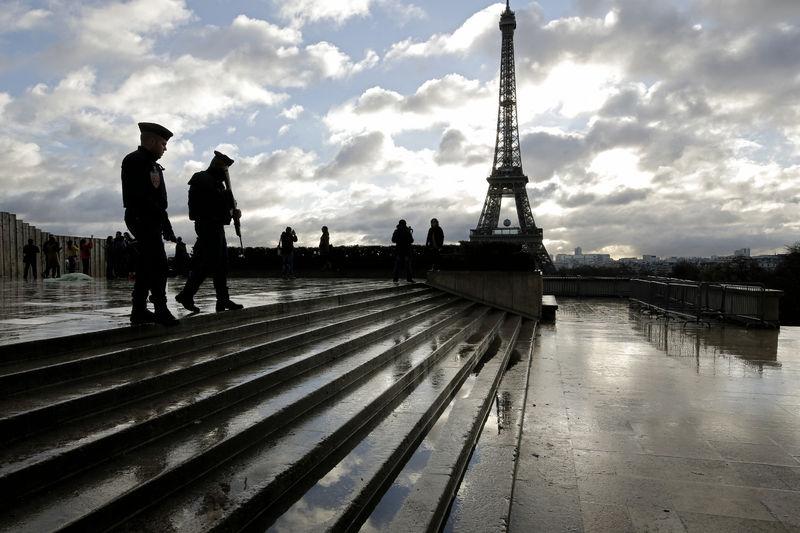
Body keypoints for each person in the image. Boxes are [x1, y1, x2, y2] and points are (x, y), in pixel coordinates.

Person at [121, 121, 179, 326]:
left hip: (152, 217)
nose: (165, 148)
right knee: (159, 264)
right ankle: (160, 308)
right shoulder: (135, 160)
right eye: (163, 143)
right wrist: (160, 219)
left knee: (147, 265)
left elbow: (158, 200)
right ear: (152, 141)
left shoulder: (153, 165)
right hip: (140, 216)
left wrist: (166, 224)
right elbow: (141, 196)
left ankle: (139, 309)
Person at [175, 150, 243, 313]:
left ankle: (222, 300)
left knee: (221, 263)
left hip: (216, 226)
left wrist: (232, 211)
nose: (225, 173)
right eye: (224, 168)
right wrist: (225, 206)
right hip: (207, 225)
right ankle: (187, 295)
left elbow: (221, 208)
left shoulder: (218, 184)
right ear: (217, 165)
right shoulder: (202, 178)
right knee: (208, 263)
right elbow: (202, 206)